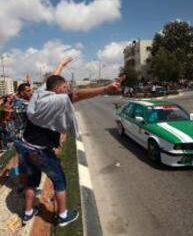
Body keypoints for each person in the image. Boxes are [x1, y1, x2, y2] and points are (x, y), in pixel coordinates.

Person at [19, 58, 121, 226]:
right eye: (65, 87)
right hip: (40, 151)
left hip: (25, 146)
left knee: (31, 181)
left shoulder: (39, 93)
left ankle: (28, 213)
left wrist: (61, 64)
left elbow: (53, 77)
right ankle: (63, 216)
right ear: (58, 88)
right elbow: (78, 94)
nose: (66, 89)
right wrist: (106, 88)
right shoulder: (54, 100)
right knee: (59, 181)